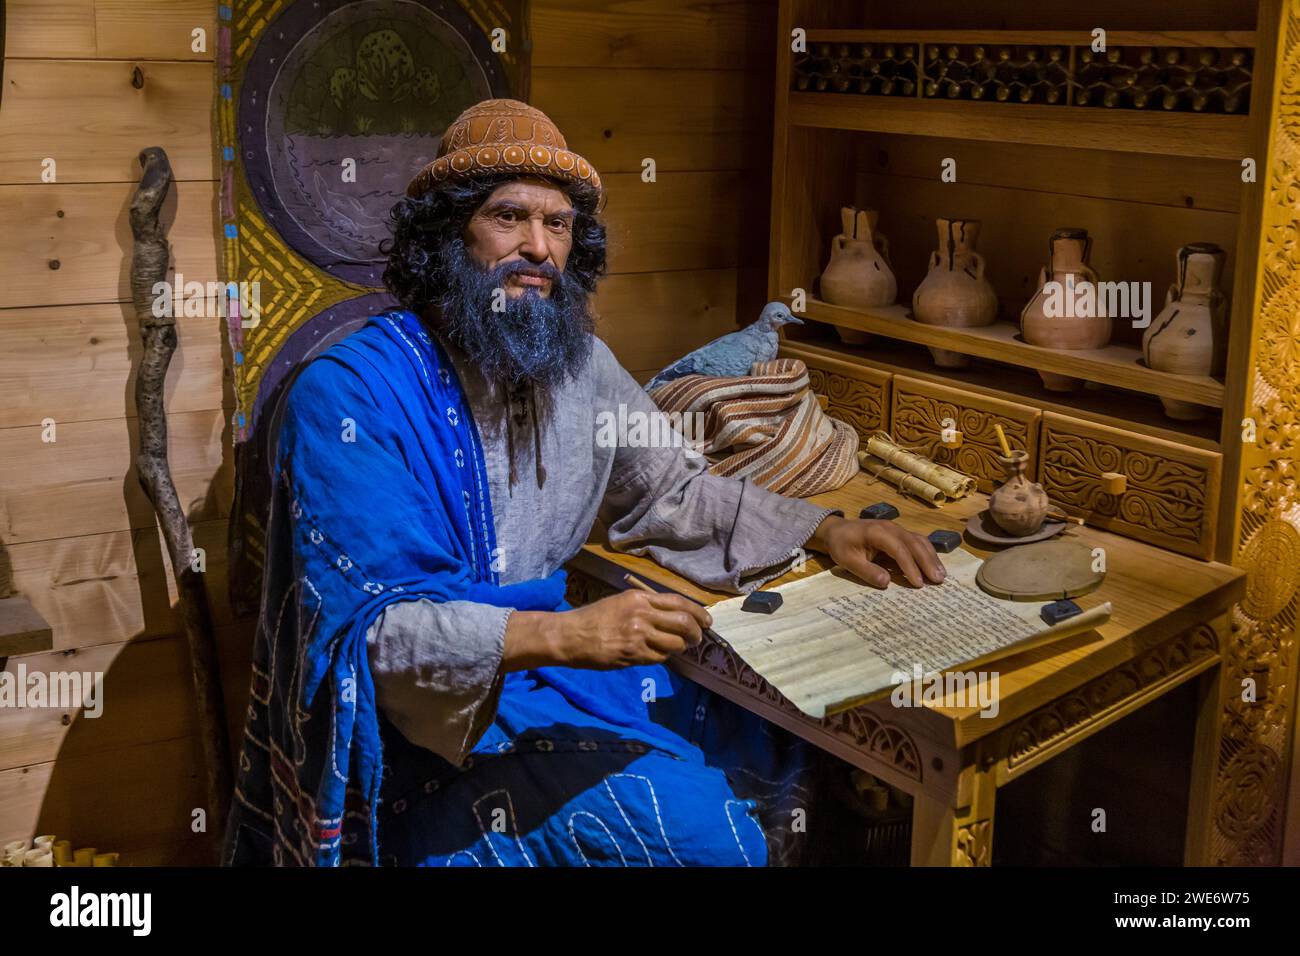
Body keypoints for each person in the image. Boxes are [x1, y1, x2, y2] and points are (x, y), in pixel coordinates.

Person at [223, 99, 945, 867]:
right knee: (712, 839)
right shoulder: (348, 397)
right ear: (446, 236)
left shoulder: (580, 369)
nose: (537, 247)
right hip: (416, 733)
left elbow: (674, 490)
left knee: (775, 736)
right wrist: (570, 634)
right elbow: (375, 638)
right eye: (508, 217)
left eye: (559, 224)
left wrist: (823, 530)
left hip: (543, 676)